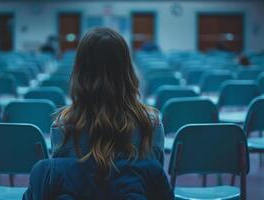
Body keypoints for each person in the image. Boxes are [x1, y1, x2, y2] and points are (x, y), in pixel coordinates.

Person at [23, 28, 172, 199]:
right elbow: (155, 185)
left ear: (80, 71)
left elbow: (60, 181)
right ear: (126, 69)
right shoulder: (151, 123)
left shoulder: (62, 125)